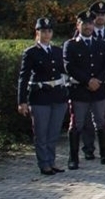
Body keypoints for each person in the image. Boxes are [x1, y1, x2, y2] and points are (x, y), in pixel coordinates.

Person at [63, 10, 105, 169]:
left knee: (101, 122)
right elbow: (69, 66)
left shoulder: (101, 43)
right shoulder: (70, 44)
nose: (88, 26)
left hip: (99, 89)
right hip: (80, 90)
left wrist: (98, 80)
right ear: (78, 25)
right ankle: (73, 158)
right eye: (84, 23)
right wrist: (87, 81)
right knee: (77, 124)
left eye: (90, 23)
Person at [17, 18, 68, 176]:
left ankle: (51, 161)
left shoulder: (57, 51)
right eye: (43, 31)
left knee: (54, 132)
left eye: (49, 31)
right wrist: (22, 101)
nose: (47, 34)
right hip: (40, 97)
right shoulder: (31, 53)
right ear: (37, 33)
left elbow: (64, 71)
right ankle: (43, 164)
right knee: (41, 132)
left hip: (57, 96)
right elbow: (23, 78)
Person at [78, 0, 105, 161]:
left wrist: (100, 79)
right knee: (86, 121)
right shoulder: (78, 37)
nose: (100, 17)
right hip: (85, 85)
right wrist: (89, 80)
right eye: (96, 15)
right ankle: (88, 148)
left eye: (103, 14)